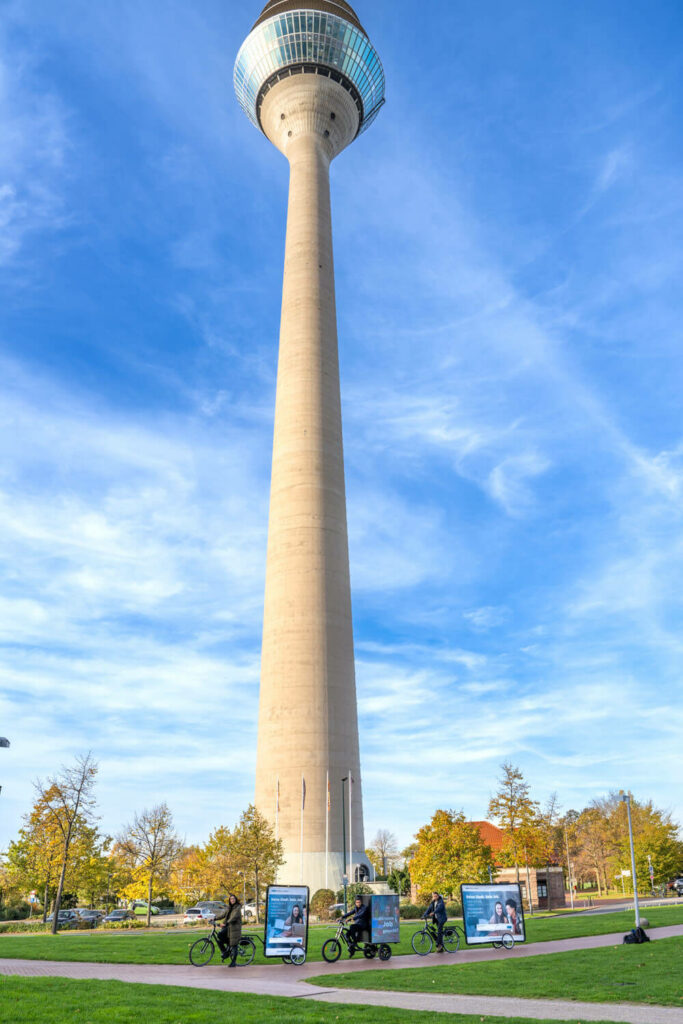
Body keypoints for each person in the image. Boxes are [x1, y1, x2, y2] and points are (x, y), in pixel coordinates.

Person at [215, 893, 243, 967]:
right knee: (219, 939)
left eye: (233, 899)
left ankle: (233, 962)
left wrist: (226, 923)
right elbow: (222, 915)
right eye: (231, 899)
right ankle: (226, 952)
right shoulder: (229, 908)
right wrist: (214, 918)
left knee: (234, 945)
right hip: (228, 926)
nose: (232, 900)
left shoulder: (237, 908)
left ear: (236, 900)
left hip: (234, 928)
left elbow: (234, 917)